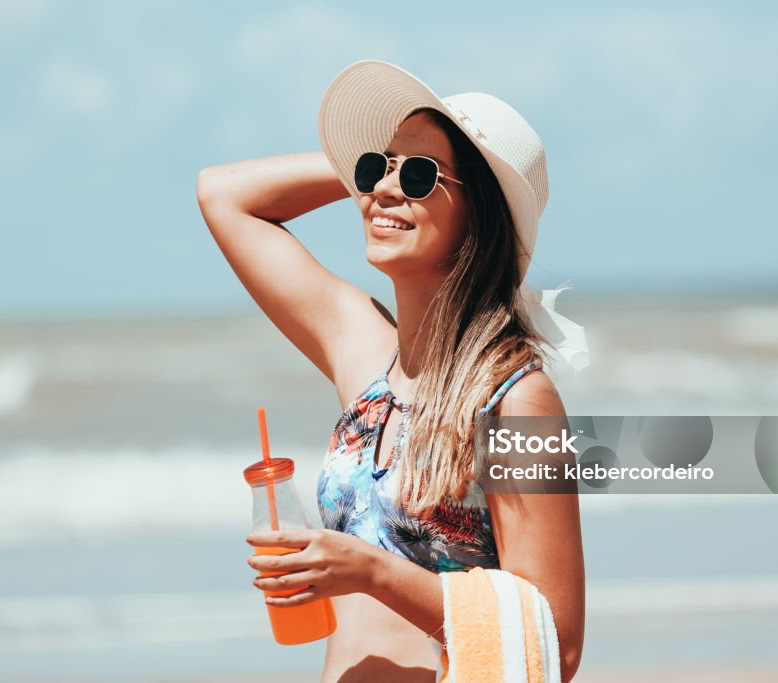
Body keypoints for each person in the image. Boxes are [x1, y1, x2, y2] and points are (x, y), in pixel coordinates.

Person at [197, 60, 585, 683]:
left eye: (423, 175)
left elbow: (557, 645)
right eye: (380, 169)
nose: (382, 191)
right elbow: (224, 195)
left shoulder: (517, 401)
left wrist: (372, 572)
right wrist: (375, 167)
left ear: (479, 216)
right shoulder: (364, 353)